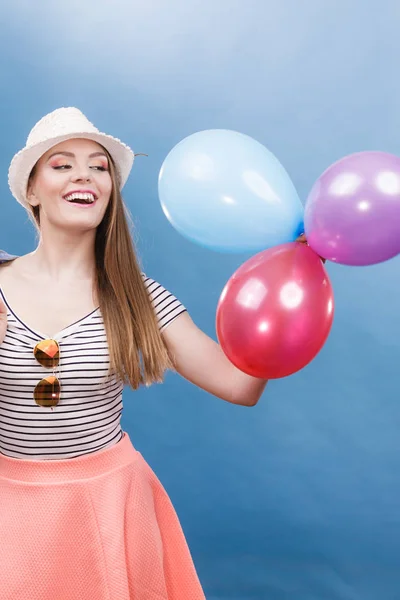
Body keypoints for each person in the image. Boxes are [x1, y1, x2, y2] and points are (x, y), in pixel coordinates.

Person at [0, 107, 272, 600]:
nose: (84, 174)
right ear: (32, 192)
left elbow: (239, 386)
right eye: (62, 164)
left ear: (109, 194)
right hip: (9, 506)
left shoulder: (139, 297)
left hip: (108, 504)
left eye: (99, 167)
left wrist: (280, 312)